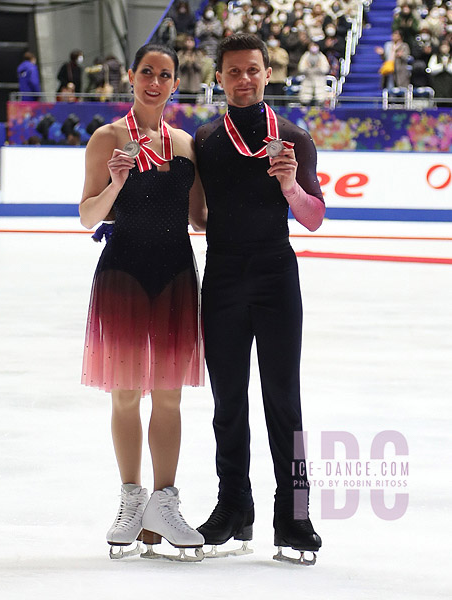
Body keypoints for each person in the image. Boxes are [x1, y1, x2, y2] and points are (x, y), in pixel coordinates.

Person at [195, 33, 324, 562]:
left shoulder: (293, 137)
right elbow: (198, 215)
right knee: (227, 402)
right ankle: (233, 508)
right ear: (219, 78)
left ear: (268, 72)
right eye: (233, 72)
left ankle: (294, 516)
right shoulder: (204, 139)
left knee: (283, 402)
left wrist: (291, 185)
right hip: (222, 275)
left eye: (252, 70)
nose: (243, 79)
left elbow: (314, 218)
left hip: (275, 276)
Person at [79, 43, 207, 560]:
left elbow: (200, 218)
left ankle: (164, 499)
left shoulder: (186, 144)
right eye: (147, 72)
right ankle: (132, 496)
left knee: (170, 395)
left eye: (165, 75)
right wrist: (114, 182)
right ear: (131, 77)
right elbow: (88, 216)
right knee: (127, 393)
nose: (155, 82)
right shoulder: (107, 138)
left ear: (176, 84)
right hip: (124, 276)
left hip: (176, 276)